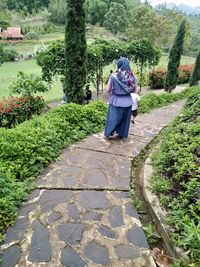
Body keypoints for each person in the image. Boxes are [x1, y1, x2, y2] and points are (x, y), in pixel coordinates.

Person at [104, 57, 137, 139]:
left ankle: (108, 133)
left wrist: (111, 92)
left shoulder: (113, 76)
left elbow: (108, 90)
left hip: (116, 100)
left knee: (113, 118)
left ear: (119, 65)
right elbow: (134, 91)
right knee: (125, 120)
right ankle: (121, 134)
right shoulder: (131, 77)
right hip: (128, 101)